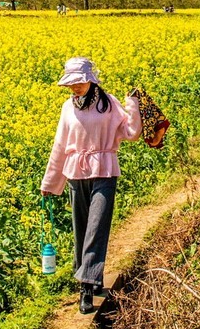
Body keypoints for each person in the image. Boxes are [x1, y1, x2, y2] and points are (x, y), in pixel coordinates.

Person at [41, 57, 142, 314]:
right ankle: (93, 279)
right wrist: (50, 183)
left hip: (105, 171)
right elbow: (61, 146)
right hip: (76, 173)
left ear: (90, 79)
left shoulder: (107, 103)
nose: (74, 87)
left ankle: (85, 287)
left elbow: (131, 133)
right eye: (71, 84)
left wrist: (134, 104)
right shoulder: (67, 108)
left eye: (79, 82)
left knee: (96, 228)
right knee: (81, 230)